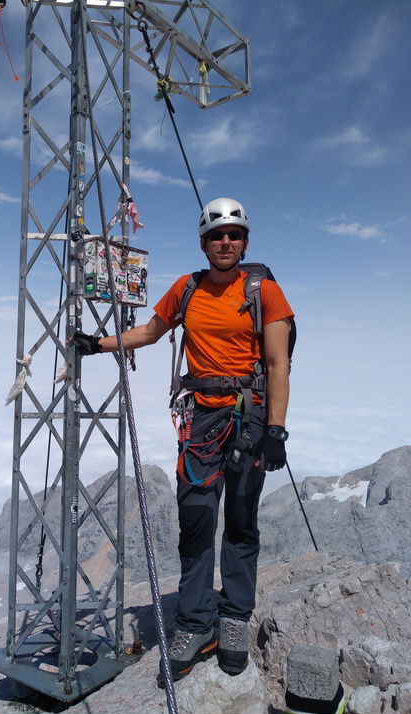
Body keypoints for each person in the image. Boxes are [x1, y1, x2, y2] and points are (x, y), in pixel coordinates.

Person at [73, 197, 294, 681]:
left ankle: (233, 618)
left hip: (248, 418)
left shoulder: (264, 291)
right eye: (217, 236)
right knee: (195, 523)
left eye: (234, 235)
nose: (226, 242)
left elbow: (278, 364)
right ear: (203, 243)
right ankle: (195, 622)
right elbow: (152, 332)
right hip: (200, 421)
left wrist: (275, 430)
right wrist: (98, 344)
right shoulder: (187, 289)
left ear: (245, 242)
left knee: (239, 520)